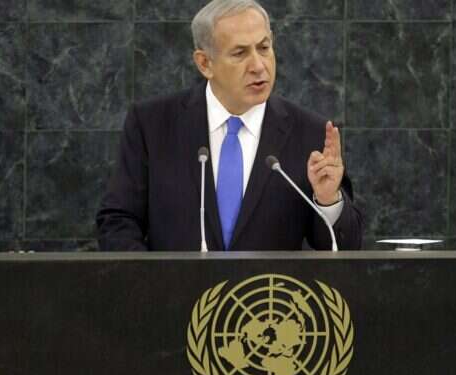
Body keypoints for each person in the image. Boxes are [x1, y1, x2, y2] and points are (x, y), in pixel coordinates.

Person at [96, 0, 362, 251]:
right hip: (174, 286)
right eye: (240, 53)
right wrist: (150, 279)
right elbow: (118, 221)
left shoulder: (310, 133)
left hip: (266, 287)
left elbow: (346, 248)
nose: (258, 66)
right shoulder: (152, 124)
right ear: (205, 63)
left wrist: (328, 201)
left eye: (264, 48)